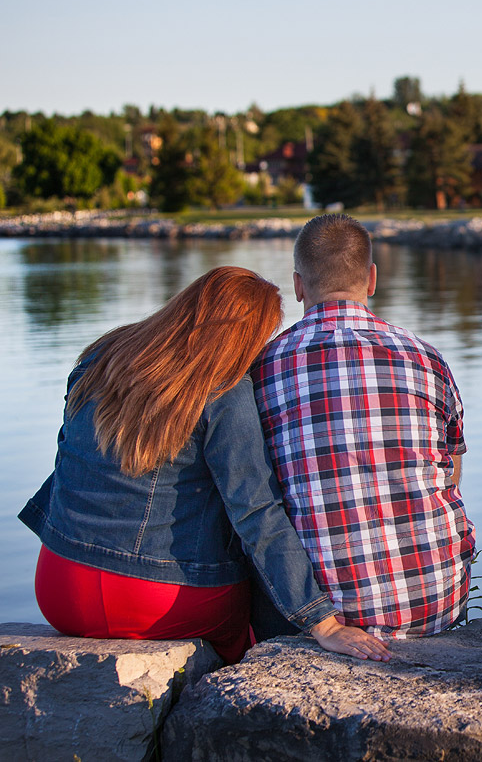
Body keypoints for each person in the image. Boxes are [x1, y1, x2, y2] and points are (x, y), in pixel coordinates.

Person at [18, 266, 390, 664]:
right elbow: (256, 512)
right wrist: (322, 621)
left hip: (60, 586)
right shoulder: (224, 392)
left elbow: (66, 462)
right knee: (249, 620)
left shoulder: (102, 357)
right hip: (158, 601)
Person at [252, 214, 473, 639]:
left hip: (324, 615)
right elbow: (452, 465)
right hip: (436, 600)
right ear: (371, 279)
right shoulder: (426, 358)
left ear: (298, 285)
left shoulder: (263, 368)